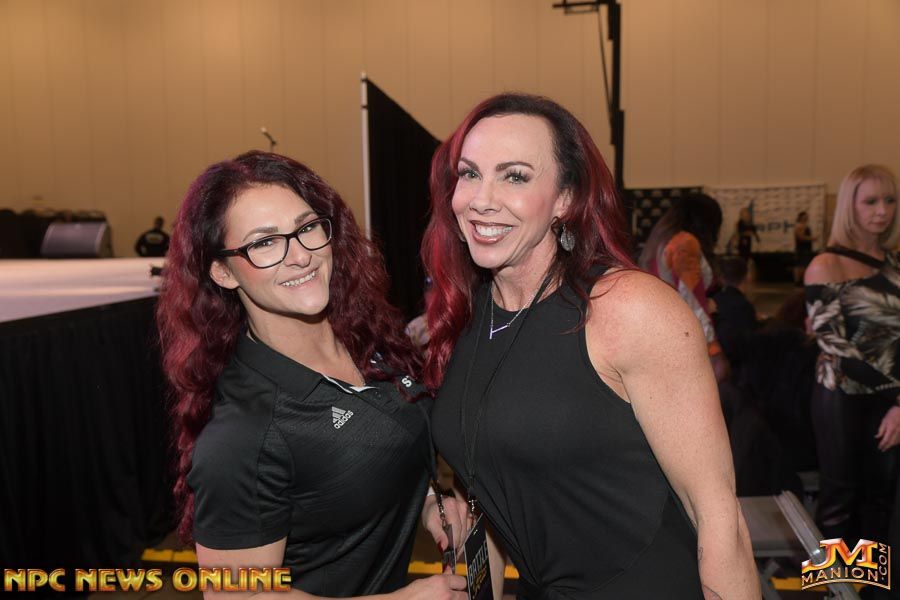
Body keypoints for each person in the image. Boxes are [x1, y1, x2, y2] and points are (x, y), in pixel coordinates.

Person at [422, 93, 757, 599]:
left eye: (515, 176)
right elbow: (485, 495)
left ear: (565, 199)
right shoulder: (468, 318)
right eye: (469, 174)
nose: (481, 198)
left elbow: (718, 516)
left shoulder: (627, 308)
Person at [156, 151, 467, 599]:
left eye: (306, 228)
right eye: (265, 243)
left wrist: (429, 503)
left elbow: (371, 459)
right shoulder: (243, 436)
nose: (301, 255)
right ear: (223, 272)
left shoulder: (363, 338)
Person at [804, 164, 900, 563]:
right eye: (871, 201)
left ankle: (875, 588)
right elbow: (835, 346)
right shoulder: (826, 265)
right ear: (850, 206)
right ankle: (834, 588)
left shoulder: (894, 264)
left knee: (882, 501)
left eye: (890, 200)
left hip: (891, 403)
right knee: (839, 502)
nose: (882, 211)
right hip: (842, 396)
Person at [639, 192, 730, 382]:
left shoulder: (660, 240)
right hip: (683, 340)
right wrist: (713, 351)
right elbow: (693, 303)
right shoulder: (685, 244)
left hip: (658, 338)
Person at [712, 256, 759, 373]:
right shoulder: (744, 306)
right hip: (738, 369)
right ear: (747, 277)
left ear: (722, 278)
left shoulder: (714, 301)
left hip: (716, 362)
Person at [793, 210, 816, 285]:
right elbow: (801, 237)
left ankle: (802, 281)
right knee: (800, 266)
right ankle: (798, 282)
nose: (806, 218)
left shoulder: (804, 226)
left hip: (806, 249)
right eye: (805, 216)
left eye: (807, 216)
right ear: (801, 217)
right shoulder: (799, 226)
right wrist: (812, 238)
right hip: (801, 249)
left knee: (804, 265)